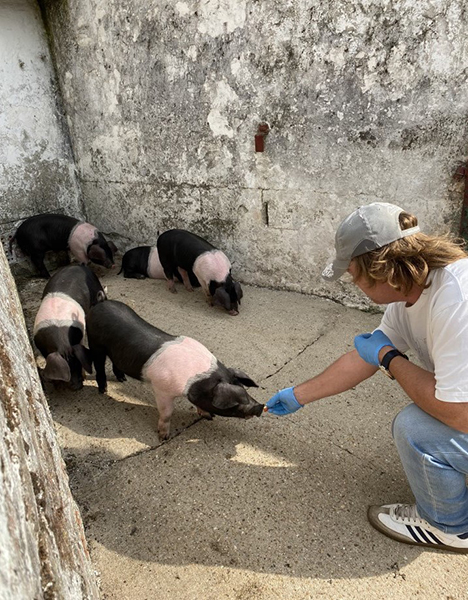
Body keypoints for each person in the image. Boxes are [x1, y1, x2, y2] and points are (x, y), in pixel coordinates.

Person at [266, 202, 468, 553]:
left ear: (380, 270)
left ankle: (450, 527)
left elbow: (456, 412)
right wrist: (298, 395)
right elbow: (365, 357)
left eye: (353, 273)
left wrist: (389, 358)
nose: (352, 282)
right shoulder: (411, 293)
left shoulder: (456, 300)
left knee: (415, 429)